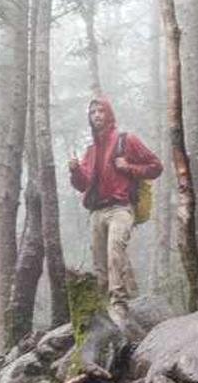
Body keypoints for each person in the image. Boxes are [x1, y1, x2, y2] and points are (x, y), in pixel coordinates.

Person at [68, 96, 163, 332]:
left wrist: (129, 167)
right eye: (93, 113)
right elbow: (83, 185)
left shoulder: (126, 140)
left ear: (109, 114)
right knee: (99, 264)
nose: (97, 116)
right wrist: (75, 171)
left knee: (115, 253)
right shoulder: (91, 151)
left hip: (121, 208)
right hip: (97, 212)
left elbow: (156, 167)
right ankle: (103, 310)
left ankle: (119, 305)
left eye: (101, 111)